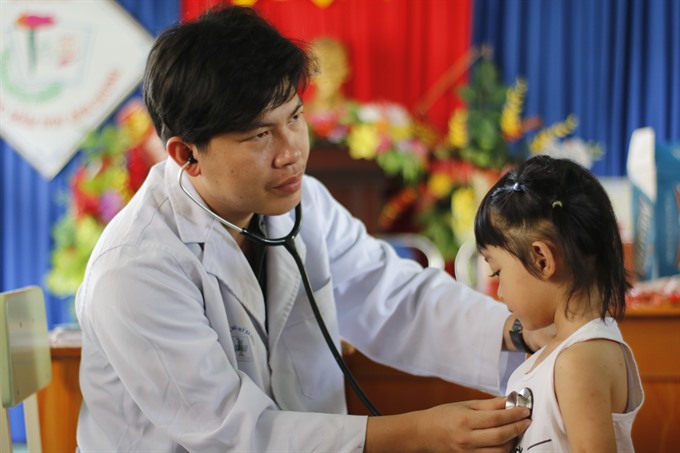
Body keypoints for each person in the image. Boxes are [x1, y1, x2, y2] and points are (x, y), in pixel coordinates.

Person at [75, 5, 542, 452]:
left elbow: (390, 295)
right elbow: (235, 436)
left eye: (294, 117)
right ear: (186, 155)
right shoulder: (136, 268)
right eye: (260, 135)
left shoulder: (303, 204)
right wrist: (419, 433)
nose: (290, 151)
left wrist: (519, 331)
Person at [474, 155, 644, 452]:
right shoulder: (561, 351)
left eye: (498, 272)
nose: (499, 292)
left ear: (542, 260)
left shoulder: (578, 362)